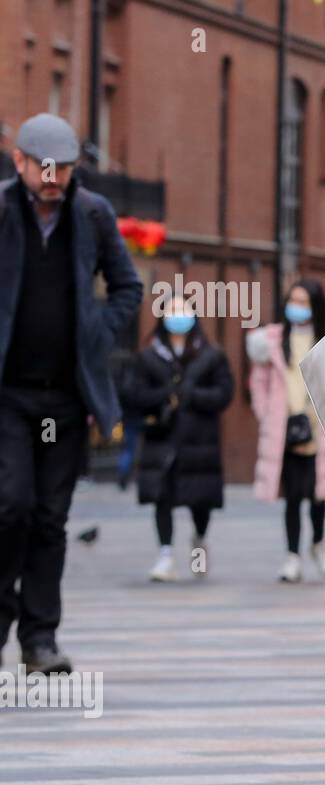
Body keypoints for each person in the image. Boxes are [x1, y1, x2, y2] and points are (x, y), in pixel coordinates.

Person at [0, 113, 143, 674]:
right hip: (9, 395)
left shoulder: (92, 213)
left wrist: (96, 333)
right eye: (44, 166)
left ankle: (39, 641)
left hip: (65, 397)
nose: (54, 177)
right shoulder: (3, 209)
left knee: (50, 518)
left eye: (64, 167)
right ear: (21, 162)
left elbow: (127, 286)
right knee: (10, 507)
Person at [120, 294, 233, 582]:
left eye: (182, 311)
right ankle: (165, 555)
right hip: (163, 438)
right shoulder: (147, 356)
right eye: (172, 311)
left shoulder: (210, 354)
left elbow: (224, 393)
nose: (177, 317)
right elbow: (133, 393)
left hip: (200, 441)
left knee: (201, 501)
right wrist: (164, 398)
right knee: (162, 498)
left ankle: (199, 540)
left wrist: (192, 396)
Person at [246, 279, 325, 583]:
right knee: (292, 496)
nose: (297, 308)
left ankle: (318, 543)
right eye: (294, 301)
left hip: (320, 428)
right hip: (285, 429)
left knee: (320, 493)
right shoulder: (272, 341)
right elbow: (258, 384)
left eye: (304, 302)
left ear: (315, 306)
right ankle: (292, 556)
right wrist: (267, 415)